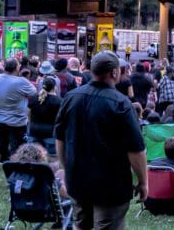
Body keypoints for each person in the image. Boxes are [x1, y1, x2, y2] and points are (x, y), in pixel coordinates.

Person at [55, 51, 148, 230]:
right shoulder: (121, 103)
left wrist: (68, 168)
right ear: (114, 73)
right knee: (107, 225)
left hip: (78, 179)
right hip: (111, 183)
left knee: (81, 224)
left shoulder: (70, 98)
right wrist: (143, 182)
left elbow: (60, 138)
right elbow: (136, 149)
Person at [0, 57, 36, 187]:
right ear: (16, 68)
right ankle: (14, 179)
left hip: (0, 120)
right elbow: (33, 92)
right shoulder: (21, 82)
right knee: (17, 151)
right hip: (17, 122)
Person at [27, 76, 62, 157]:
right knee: (52, 157)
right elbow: (60, 118)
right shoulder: (58, 101)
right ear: (55, 87)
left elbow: (28, 115)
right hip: (50, 132)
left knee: (33, 157)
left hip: (34, 130)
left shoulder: (34, 98)